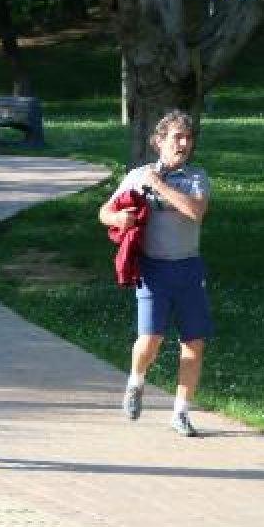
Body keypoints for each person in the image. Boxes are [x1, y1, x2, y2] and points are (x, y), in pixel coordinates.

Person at [98, 110, 212, 438]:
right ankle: (135, 382)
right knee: (151, 339)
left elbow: (194, 211)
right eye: (177, 137)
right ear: (159, 141)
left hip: (188, 268)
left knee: (194, 342)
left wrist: (159, 184)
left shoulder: (196, 178)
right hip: (153, 269)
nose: (184, 143)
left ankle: (181, 412)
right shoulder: (137, 175)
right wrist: (120, 220)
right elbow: (105, 212)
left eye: (188, 138)